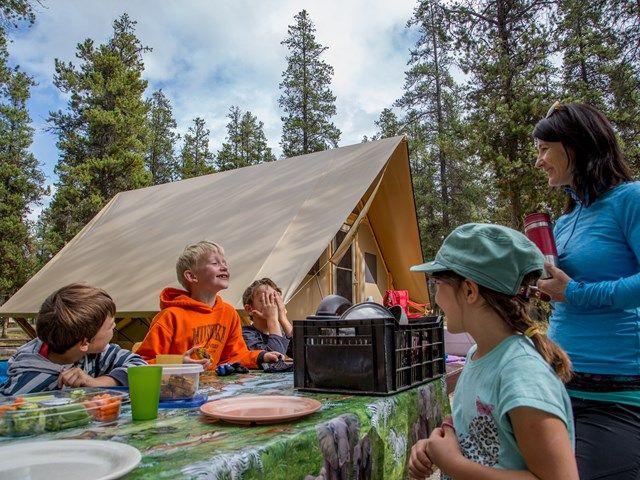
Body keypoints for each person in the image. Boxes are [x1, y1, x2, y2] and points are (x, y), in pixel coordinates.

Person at [408, 223, 578, 480]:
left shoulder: (522, 375)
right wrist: (444, 437)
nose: (436, 297)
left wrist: (453, 464)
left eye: (438, 283)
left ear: (469, 290)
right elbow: (474, 419)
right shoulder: (478, 353)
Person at [533, 102, 640, 479]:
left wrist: (574, 293)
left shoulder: (630, 199)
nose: (539, 161)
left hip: (616, 393)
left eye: (545, 149)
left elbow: (577, 292)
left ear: (575, 146)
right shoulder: (564, 221)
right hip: (560, 386)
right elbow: (565, 293)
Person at [135, 240, 281, 370]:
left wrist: (260, 357)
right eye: (215, 263)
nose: (224, 267)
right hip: (177, 390)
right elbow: (141, 363)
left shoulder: (229, 313)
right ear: (192, 276)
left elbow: (234, 356)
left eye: (224, 263)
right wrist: (178, 363)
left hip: (214, 389)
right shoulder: (170, 317)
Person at [1, 283, 146, 396]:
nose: (114, 326)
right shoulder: (30, 383)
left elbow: (142, 368)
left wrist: (97, 383)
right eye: (110, 327)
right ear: (84, 343)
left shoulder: (96, 353)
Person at [242, 278, 293, 356]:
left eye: (275, 299)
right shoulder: (246, 335)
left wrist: (283, 318)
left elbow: (305, 355)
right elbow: (274, 360)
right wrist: (272, 318)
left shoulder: (281, 333)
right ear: (249, 309)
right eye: (265, 300)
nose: (272, 305)